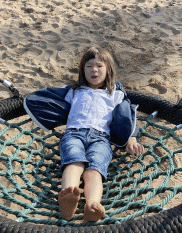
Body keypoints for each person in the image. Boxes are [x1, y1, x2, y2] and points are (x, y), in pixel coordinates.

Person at [57, 46, 144, 222]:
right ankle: (68, 196)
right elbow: (54, 103)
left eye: (99, 66)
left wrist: (132, 138)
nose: (94, 70)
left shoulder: (115, 94)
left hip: (101, 138)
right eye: (88, 66)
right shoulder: (74, 91)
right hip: (74, 133)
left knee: (94, 171)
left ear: (108, 70)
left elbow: (127, 118)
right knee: (74, 162)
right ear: (82, 70)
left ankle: (92, 205)